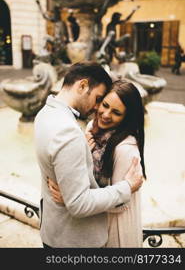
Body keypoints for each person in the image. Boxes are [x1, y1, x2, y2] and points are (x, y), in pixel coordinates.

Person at [34, 62, 143, 248]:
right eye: (100, 100)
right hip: (74, 240)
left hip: (57, 232)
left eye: (116, 112)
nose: (98, 109)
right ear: (82, 86)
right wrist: (126, 187)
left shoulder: (44, 113)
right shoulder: (72, 133)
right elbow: (78, 203)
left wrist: (69, 195)